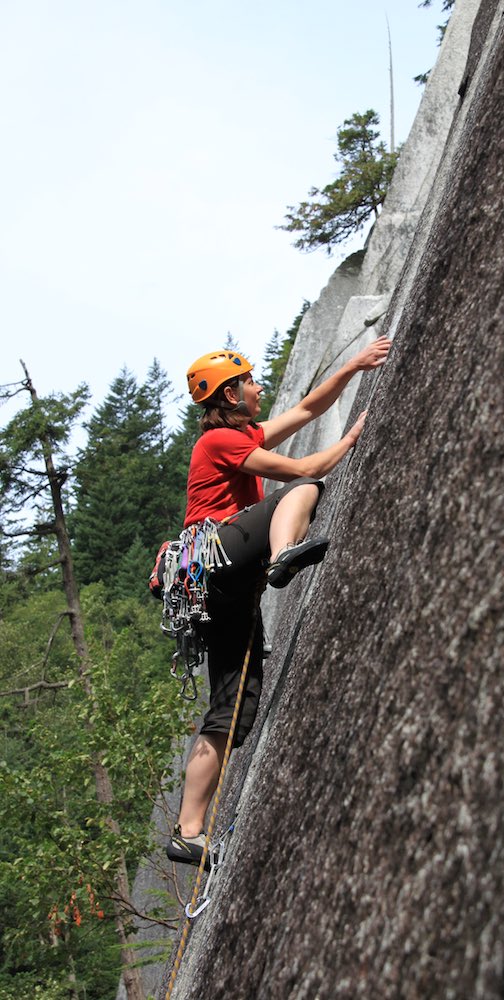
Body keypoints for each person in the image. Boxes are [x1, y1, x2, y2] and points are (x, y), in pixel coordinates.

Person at [167, 335, 391, 867]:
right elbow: (297, 472)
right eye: (248, 382)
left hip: (219, 587)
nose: (258, 387)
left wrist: (356, 365)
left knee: (231, 711)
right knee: (302, 489)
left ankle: (187, 831)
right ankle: (281, 555)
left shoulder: (238, 435)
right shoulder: (218, 443)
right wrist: (347, 446)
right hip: (219, 555)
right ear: (228, 395)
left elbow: (309, 408)